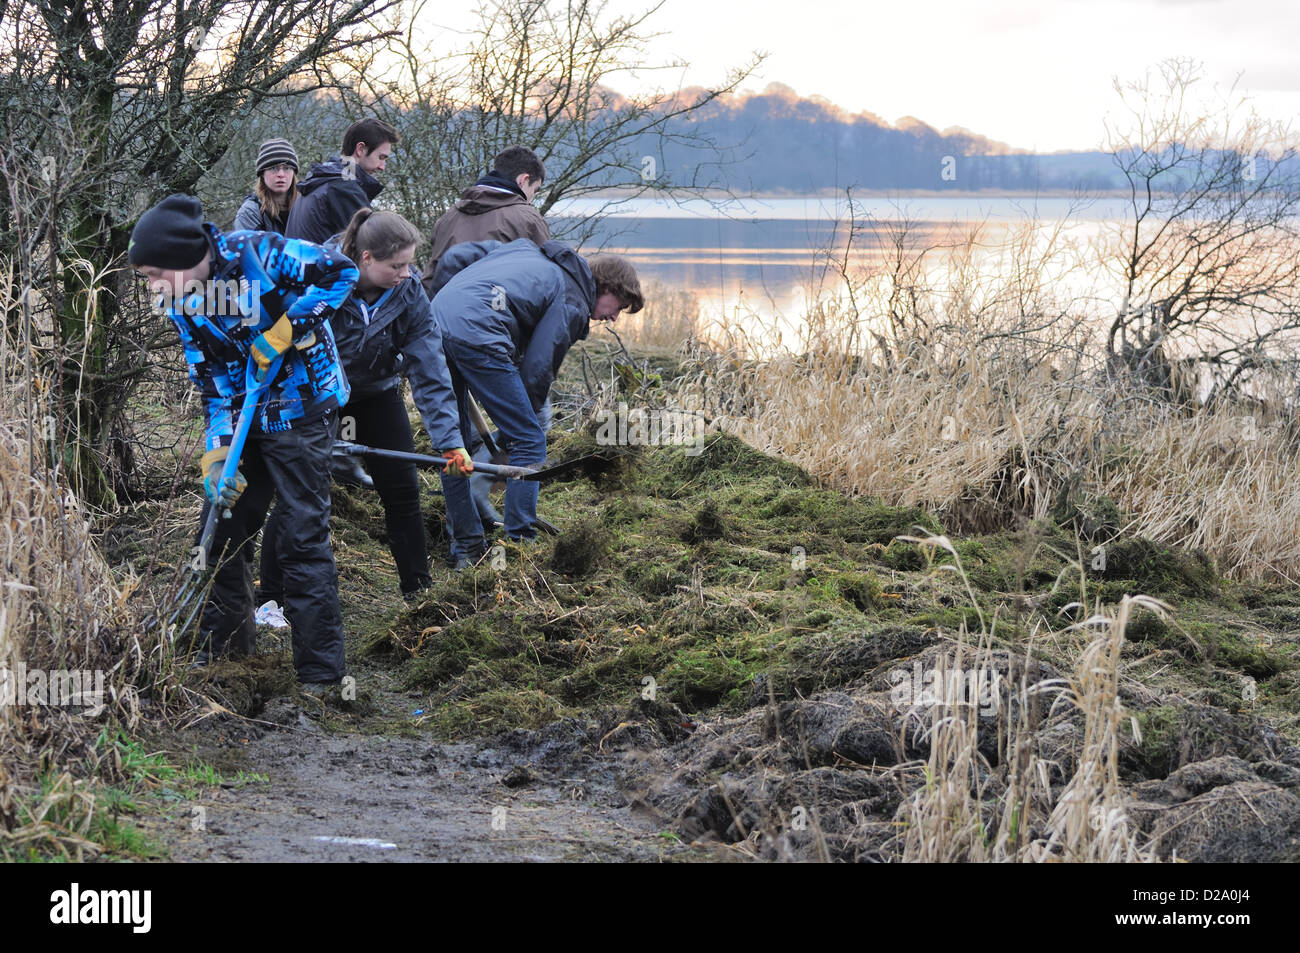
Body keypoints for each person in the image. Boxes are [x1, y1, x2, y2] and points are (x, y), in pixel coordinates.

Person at [129, 194, 356, 688]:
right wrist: (216, 454)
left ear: (182, 259)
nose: (150, 287)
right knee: (221, 530)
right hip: (244, 413)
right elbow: (212, 381)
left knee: (301, 537)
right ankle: (229, 660)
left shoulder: (260, 252)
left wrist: (286, 330)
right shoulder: (180, 302)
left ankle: (321, 676)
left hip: (303, 407)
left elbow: (341, 272)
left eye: (152, 274)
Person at [260, 209, 473, 603]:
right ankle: (270, 599)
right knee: (301, 493)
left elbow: (429, 367)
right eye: (398, 265)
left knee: (403, 490)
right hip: (315, 395)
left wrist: (450, 440)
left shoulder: (408, 293)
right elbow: (277, 342)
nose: (407, 273)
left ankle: (419, 595)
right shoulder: (316, 278)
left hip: (376, 391)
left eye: (410, 263)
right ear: (366, 258)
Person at [431, 238, 643, 564]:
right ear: (607, 286)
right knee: (529, 442)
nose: (615, 317)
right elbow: (538, 369)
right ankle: (519, 543)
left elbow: (458, 254)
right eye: (620, 304)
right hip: (478, 335)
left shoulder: (529, 251)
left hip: (436, 322)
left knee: (454, 445)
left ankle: (466, 547)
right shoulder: (572, 299)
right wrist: (519, 427)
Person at [420, 145, 550, 298]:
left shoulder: (448, 217)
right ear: (523, 180)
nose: (530, 201)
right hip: (498, 316)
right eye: (534, 191)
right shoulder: (529, 219)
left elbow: (430, 278)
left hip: (444, 313)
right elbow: (546, 281)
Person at [285, 118, 399, 244]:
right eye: (381, 157)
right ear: (360, 149)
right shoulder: (343, 188)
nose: (382, 167)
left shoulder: (324, 180)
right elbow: (373, 247)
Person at [232, 139, 299, 234]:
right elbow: (248, 247)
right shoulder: (250, 213)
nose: (281, 174)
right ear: (262, 174)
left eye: (287, 168)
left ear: (293, 173)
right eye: (273, 168)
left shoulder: (308, 206)